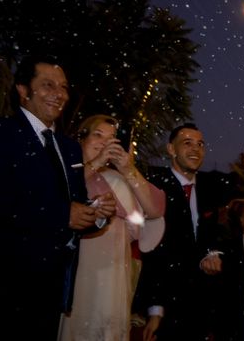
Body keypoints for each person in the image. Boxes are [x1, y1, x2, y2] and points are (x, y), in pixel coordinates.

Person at [0, 56, 116, 339]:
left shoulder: (69, 148)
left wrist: (96, 214)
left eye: (64, 87)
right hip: (2, 284)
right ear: (23, 89)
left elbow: (74, 204)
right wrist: (62, 214)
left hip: (51, 288)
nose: (59, 94)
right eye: (48, 85)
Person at [59, 114, 166, 341]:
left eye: (112, 139)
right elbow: (62, 189)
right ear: (82, 138)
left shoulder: (119, 178)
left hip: (114, 271)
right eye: (98, 135)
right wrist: (95, 164)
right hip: (77, 269)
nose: (104, 143)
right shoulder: (65, 169)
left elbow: (155, 210)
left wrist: (128, 169)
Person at [133, 122, 228, 341]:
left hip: (201, 304)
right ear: (171, 149)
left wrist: (213, 253)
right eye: (187, 143)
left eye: (200, 144)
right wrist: (155, 309)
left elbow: (215, 234)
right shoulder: (154, 187)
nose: (196, 149)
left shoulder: (210, 188)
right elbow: (151, 249)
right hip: (165, 303)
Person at [197, 198, 244, 340]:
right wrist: (206, 260)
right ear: (242, 220)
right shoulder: (227, 248)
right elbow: (209, 258)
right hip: (232, 325)